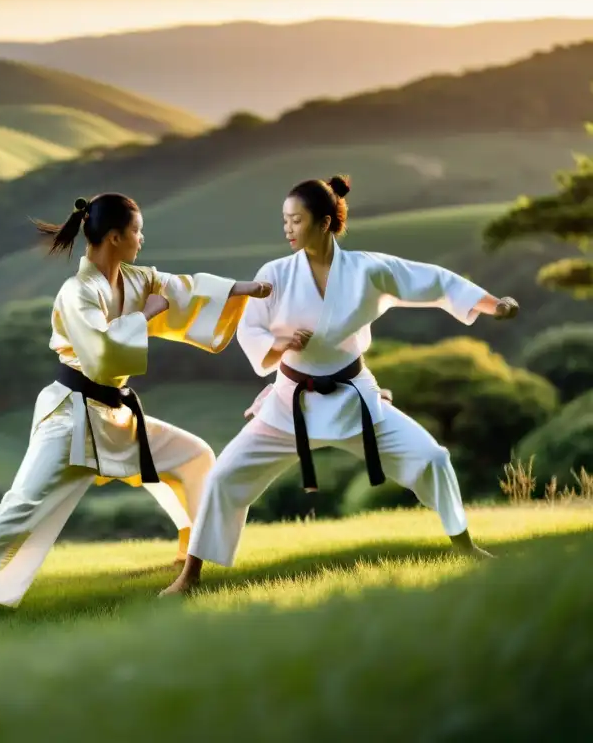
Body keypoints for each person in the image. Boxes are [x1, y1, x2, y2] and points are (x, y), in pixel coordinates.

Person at [161, 174, 519, 596]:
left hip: (356, 402)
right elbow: (250, 328)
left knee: (433, 458)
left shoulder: (367, 269)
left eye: (296, 220)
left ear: (325, 222)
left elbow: (435, 281)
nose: (288, 229)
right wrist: (279, 346)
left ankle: (464, 545)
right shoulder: (274, 274)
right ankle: (191, 576)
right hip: (289, 404)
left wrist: (494, 304)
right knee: (224, 477)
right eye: (285, 221)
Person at [0, 194, 272, 615]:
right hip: (71, 418)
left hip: (117, 417)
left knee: (195, 456)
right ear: (114, 236)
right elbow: (102, 352)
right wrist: (144, 317)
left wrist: (242, 290)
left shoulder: (135, 278)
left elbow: (182, 287)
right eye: (137, 232)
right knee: (23, 504)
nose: (142, 239)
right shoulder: (77, 292)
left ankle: (189, 554)